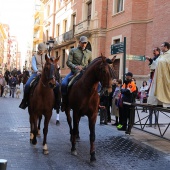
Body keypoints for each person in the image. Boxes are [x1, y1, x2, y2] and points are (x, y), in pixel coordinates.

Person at [19, 43, 61, 113]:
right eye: (41, 50)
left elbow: (51, 63)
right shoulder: (34, 57)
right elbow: (33, 65)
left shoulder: (47, 55)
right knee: (27, 85)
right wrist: (37, 71)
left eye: (43, 50)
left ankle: (57, 103)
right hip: (36, 73)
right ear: (38, 49)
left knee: (57, 85)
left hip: (46, 74)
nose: (42, 51)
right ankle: (25, 102)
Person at [61, 36, 92, 111]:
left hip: (85, 73)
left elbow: (90, 64)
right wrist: (75, 67)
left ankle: (95, 104)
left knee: (98, 85)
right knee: (64, 84)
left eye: (85, 43)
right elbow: (68, 62)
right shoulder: (73, 51)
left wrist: (85, 68)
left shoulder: (89, 53)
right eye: (82, 43)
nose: (84, 44)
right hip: (74, 72)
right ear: (79, 42)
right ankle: (64, 102)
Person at [147, 42, 170, 107]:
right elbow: (156, 64)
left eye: (162, 46)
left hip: (166, 76)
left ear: (166, 47)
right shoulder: (161, 55)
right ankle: (157, 102)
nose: (161, 47)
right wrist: (150, 60)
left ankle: (167, 103)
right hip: (158, 76)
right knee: (156, 88)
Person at [145, 47, 160, 126]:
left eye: (154, 51)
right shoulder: (155, 58)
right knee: (151, 106)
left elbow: (155, 65)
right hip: (152, 78)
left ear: (158, 51)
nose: (153, 52)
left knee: (155, 108)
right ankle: (150, 123)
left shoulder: (160, 58)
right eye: (152, 51)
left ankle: (155, 123)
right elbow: (152, 66)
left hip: (157, 78)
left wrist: (150, 60)